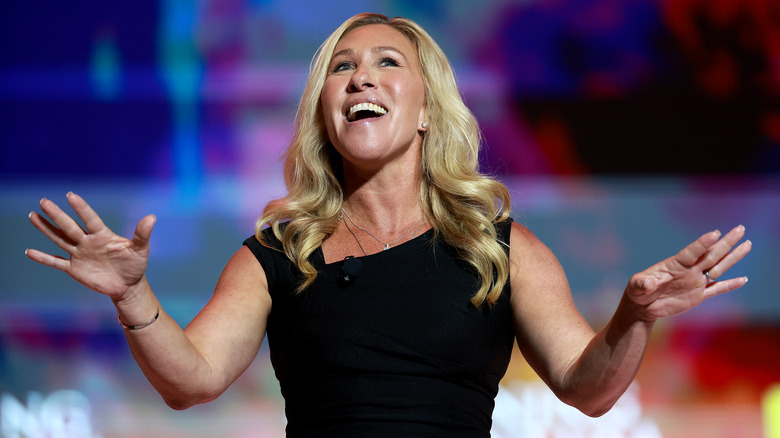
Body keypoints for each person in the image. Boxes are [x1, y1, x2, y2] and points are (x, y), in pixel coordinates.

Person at [26, 13, 751, 437]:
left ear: (428, 107)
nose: (360, 77)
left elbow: (588, 390)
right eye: (341, 68)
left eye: (385, 63)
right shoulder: (279, 254)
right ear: (323, 111)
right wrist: (132, 296)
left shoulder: (502, 250)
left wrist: (633, 315)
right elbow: (191, 383)